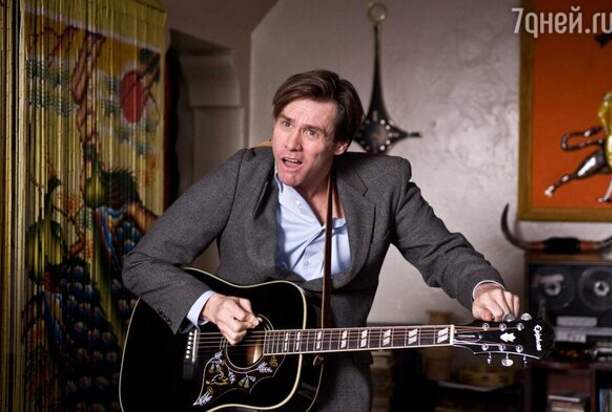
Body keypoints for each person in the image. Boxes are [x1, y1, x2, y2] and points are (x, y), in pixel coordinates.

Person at [122, 69, 519, 411]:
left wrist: (482, 287)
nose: (290, 143)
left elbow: (441, 252)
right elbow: (143, 263)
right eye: (285, 124)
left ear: (339, 144)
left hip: (335, 388)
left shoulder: (385, 184)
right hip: (232, 385)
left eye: (311, 132)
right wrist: (210, 304)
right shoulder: (243, 174)